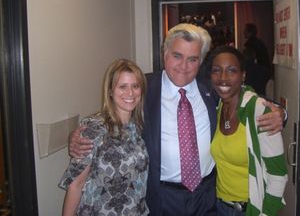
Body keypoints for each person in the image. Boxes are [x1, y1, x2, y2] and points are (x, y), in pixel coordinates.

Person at [69, 23, 285, 216]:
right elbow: (114, 115)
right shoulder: (143, 89)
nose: (184, 66)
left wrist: (280, 114)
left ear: (200, 61)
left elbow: (248, 98)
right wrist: (79, 136)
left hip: (207, 195)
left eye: (192, 59)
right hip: (162, 196)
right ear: (165, 54)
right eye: (177, 56)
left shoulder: (212, 88)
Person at [59, 59, 149, 215]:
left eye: (135, 86)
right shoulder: (94, 127)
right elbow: (77, 184)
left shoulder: (140, 126)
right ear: (110, 91)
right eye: (122, 87)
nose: (130, 93)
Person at [208, 45, 288, 216]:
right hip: (220, 206)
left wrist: (265, 214)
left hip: (250, 209)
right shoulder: (217, 105)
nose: (223, 78)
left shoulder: (258, 111)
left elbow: (278, 175)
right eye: (217, 70)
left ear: (243, 75)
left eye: (231, 70)